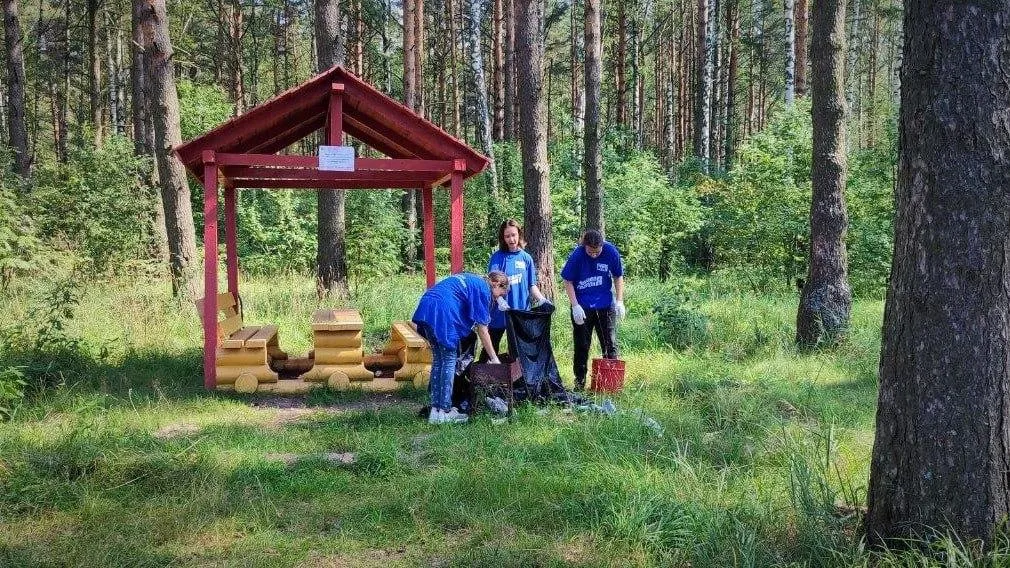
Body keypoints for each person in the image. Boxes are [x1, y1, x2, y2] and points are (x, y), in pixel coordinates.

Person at [412, 271, 508, 424]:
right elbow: (483, 329)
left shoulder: (474, 281)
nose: (496, 300)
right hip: (443, 311)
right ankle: (445, 410)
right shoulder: (484, 289)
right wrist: (494, 359)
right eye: (498, 295)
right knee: (449, 360)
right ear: (496, 284)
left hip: (427, 305)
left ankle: (436, 412)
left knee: (439, 360)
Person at [560, 229, 626, 391]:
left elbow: (618, 276)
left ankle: (610, 385)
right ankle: (579, 383)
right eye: (591, 252)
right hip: (582, 307)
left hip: (605, 305)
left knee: (609, 343)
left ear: (602, 245)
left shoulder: (611, 252)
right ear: (585, 247)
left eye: (597, 251)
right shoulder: (577, 256)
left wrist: (619, 301)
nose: (594, 255)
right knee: (582, 345)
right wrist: (575, 305)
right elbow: (567, 281)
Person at [482, 219, 547, 360]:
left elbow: (531, 285)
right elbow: (492, 282)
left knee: (520, 351)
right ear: (503, 238)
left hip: (520, 312)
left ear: (519, 234)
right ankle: (482, 377)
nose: (511, 239)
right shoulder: (498, 257)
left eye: (514, 235)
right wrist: (499, 300)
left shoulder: (526, 258)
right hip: (499, 312)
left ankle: (518, 379)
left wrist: (542, 299)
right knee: (490, 348)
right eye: (507, 236)